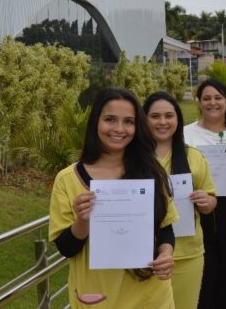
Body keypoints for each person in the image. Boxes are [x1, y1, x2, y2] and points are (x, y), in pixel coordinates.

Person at [48, 87, 178, 308]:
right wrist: (83, 220)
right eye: (110, 119)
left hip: (151, 297)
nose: (119, 129)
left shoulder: (151, 172)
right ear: (95, 122)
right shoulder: (68, 179)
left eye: (129, 121)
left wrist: (166, 253)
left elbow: (165, 229)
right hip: (98, 297)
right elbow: (66, 248)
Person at [143, 91, 218, 309]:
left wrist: (206, 201)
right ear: (144, 119)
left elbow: (211, 201)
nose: (163, 122)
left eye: (169, 115)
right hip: (147, 257)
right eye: (155, 116)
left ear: (178, 119)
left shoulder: (193, 156)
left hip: (188, 255)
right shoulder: (133, 158)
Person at [184, 79, 226, 309]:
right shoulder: (186, 135)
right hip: (200, 209)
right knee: (205, 275)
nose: (212, 103)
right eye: (206, 98)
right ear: (199, 102)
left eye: (218, 97)